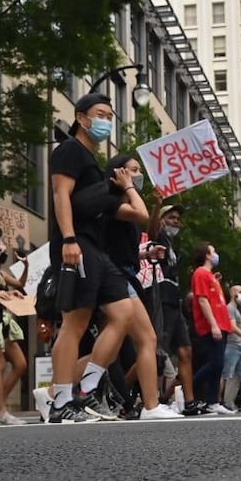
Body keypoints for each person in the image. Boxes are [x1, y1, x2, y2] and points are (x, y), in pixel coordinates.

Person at [45, 93, 143, 424]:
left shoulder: (94, 162)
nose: (106, 120)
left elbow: (136, 214)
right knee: (75, 321)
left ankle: (87, 390)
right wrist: (68, 239)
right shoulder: (70, 150)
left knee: (123, 312)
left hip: (96, 249)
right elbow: (61, 196)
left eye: (110, 115)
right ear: (82, 117)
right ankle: (61, 401)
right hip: (76, 244)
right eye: (100, 114)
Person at [82, 151, 178, 421]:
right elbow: (141, 214)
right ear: (118, 173)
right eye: (133, 170)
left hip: (121, 274)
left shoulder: (123, 204)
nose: (140, 175)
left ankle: (55, 390)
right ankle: (150, 405)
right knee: (147, 338)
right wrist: (126, 186)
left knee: (106, 351)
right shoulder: (115, 204)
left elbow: (124, 246)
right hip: (116, 279)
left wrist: (145, 255)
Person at [141, 202, 200, 414]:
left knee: (185, 350)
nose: (176, 221)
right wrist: (157, 205)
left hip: (174, 300)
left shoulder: (173, 245)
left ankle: (190, 403)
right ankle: (139, 396)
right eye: (171, 217)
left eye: (178, 218)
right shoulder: (158, 236)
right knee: (156, 351)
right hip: (160, 298)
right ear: (162, 219)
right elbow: (150, 229)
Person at [189, 241, 236, 412]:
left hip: (221, 325)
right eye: (213, 251)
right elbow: (202, 300)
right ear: (207, 255)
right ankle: (188, 389)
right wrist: (214, 325)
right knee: (216, 363)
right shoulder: (200, 273)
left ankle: (212, 401)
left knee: (218, 364)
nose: (215, 254)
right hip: (212, 326)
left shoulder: (209, 276)